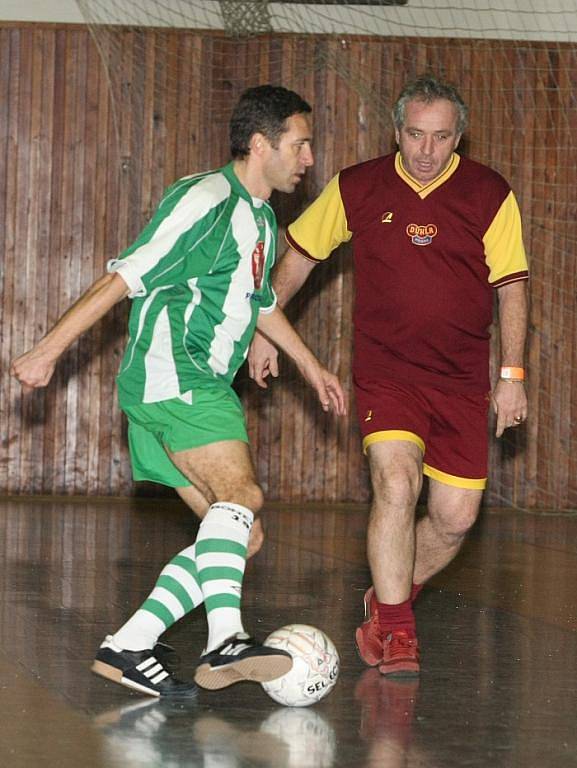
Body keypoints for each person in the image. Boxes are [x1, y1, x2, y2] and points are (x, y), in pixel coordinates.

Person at [10, 84, 346, 697]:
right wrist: (48, 349)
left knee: (242, 534)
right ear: (259, 144)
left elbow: (258, 300)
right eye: (299, 145)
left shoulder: (263, 217)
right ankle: (225, 641)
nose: (308, 158)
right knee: (241, 493)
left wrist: (310, 364)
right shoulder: (206, 198)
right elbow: (126, 276)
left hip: (184, 383)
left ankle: (129, 645)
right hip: (177, 373)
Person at [248, 75, 528, 677]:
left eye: (441, 137)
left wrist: (512, 373)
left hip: (459, 381)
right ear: (396, 130)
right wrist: (263, 329)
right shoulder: (358, 187)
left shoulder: (488, 193)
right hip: (387, 374)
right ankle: (398, 631)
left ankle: (386, 597)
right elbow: (297, 259)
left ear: (461, 137)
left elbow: (511, 287)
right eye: (414, 135)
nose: (426, 151)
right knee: (396, 485)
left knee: (455, 518)